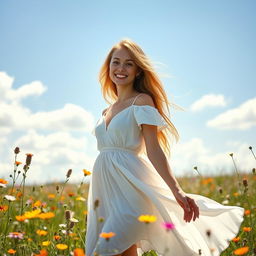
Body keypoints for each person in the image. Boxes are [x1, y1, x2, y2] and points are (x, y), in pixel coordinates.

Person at [86, 39, 244, 256]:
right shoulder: (106, 110)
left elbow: (154, 149)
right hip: (104, 192)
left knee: (106, 249)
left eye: (129, 64)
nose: (121, 69)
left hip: (132, 190)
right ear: (108, 66)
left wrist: (176, 190)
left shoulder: (142, 101)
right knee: (121, 250)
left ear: (138, 71)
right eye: (116, 62)